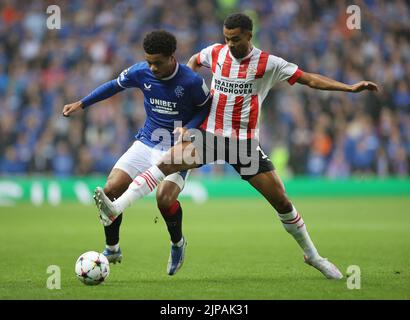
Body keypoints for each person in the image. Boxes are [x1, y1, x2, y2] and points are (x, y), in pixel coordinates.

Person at [94, 13, 379, 280]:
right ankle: (116, 207)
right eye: (227, 38)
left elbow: (309, 79)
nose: (230, 44)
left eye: (236, 39)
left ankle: (313, 255)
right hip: (208, 136)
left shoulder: (269, 63)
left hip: (242, 145)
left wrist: (349, 88)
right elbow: (193, 60)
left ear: (249, 36)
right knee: (164, 167)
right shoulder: (216, 52)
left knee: (281, 201)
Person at [63, 30, 211, 276]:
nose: (152, 68)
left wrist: (190, 128)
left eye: (158, 62)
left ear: (172, 57)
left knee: (164, 199)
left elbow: (206, 109)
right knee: (110, 190)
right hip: (146, 141)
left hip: (176, 147)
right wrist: (82, 102)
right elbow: (113, 86)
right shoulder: (140, 71)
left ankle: (177, 244)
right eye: (149, 61)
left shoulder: (191, 81)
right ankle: (112, 248)